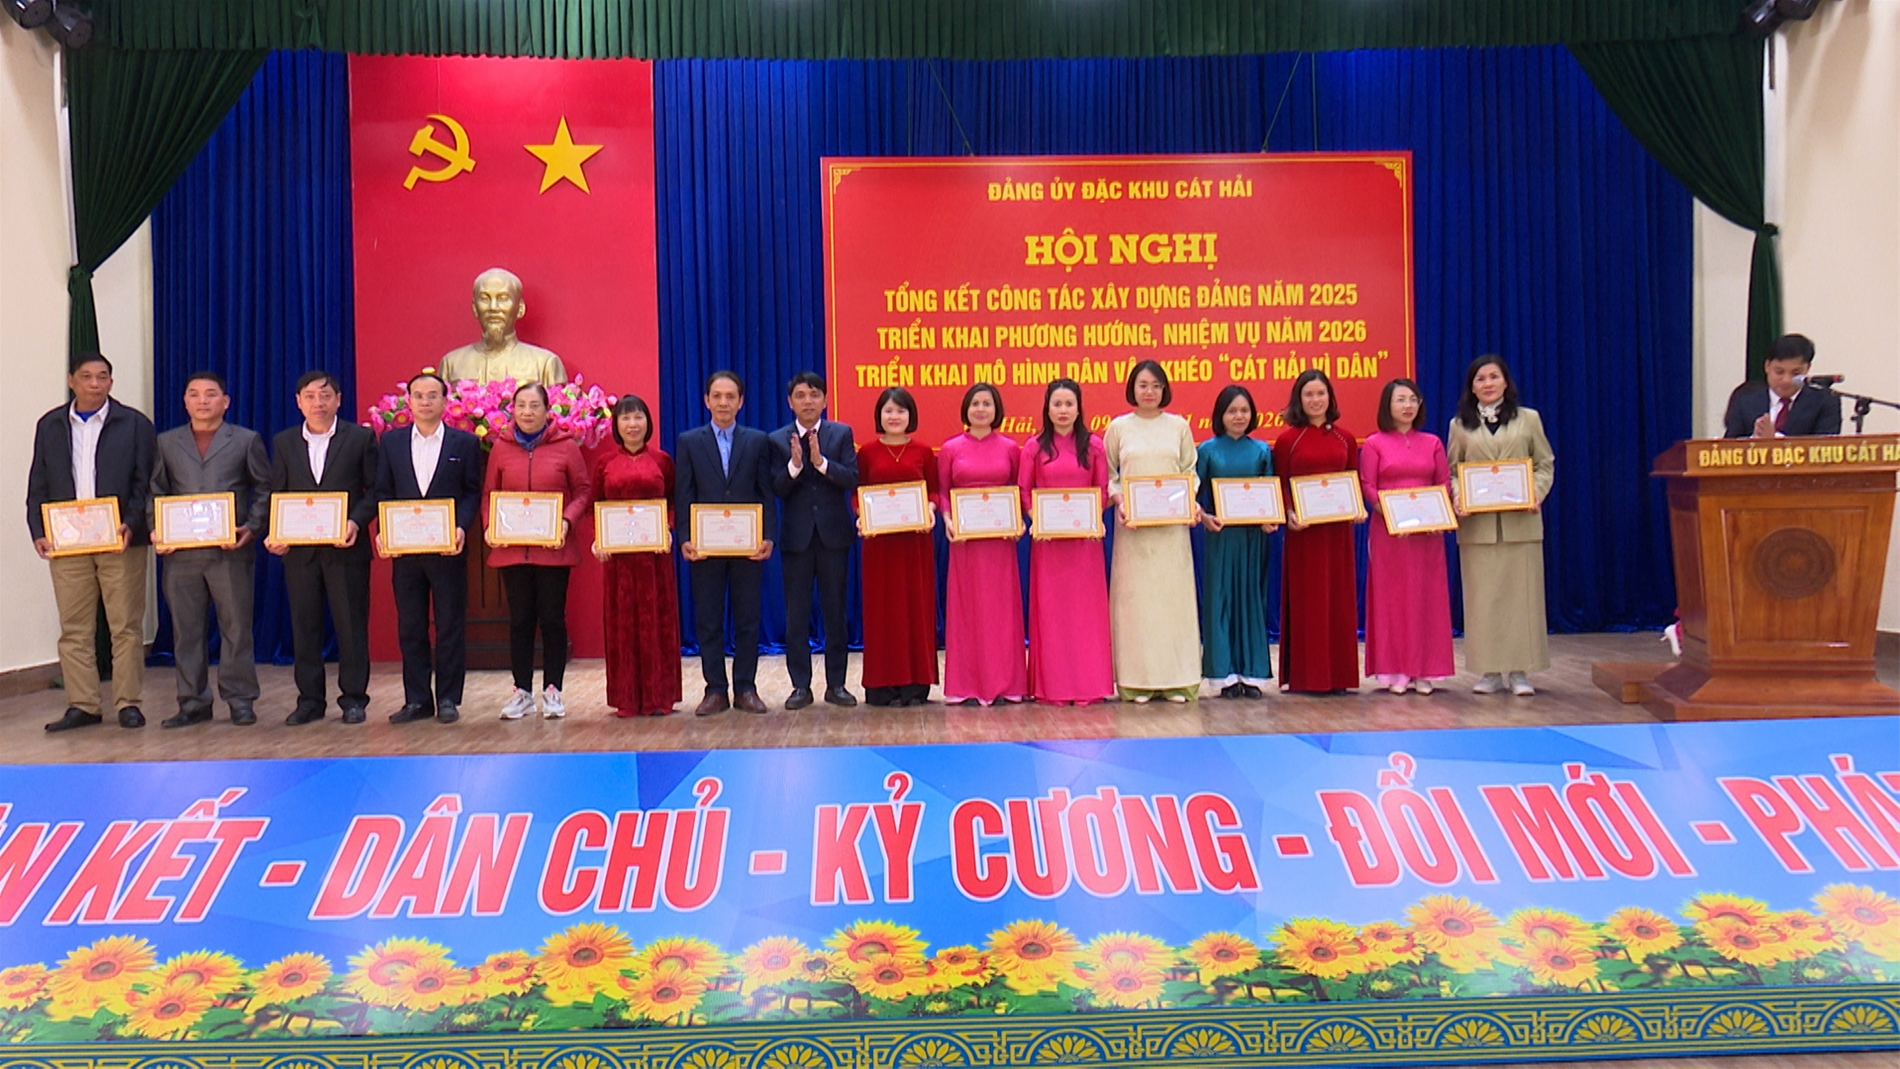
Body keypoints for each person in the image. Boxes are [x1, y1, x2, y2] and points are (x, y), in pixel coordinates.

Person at [28, 352, 156, 732]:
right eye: (87, 376)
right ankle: (82, 704)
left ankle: (128, 702)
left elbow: (145, 482)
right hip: (67, 541)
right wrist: (38, 529)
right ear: (72, 381)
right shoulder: (50, 425)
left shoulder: (134, 424)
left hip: (120, 539)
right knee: (74, 627)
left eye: (102, 377)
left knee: (125, 625)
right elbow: (38, 481)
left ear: (111, 383)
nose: (95, 384)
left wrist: (131, 523)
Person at [150, 371, 271, 728]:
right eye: (194, 394)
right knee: (186, 631)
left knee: (236, 628)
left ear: (225, 401)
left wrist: (251, 526)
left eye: (210, 394)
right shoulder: (166, 442)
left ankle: (240, 700)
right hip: (181, 555)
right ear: (185, 401)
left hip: (229, 551)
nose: (202, 400)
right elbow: (155, 490)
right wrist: (157, 528)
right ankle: (192, 702)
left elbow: (264, 487)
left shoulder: (246, 440)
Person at [266, 370, 379, 725]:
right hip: (300, 553)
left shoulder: (360, 438)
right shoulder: (284, 442)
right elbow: (278, 493)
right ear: (298, 402)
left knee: (351, 627)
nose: (318, 403)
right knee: (304, 627)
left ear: (338, 400)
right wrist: (275, 532)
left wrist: (355, 522)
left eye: (325, 395)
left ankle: (354, 699)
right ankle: (310, 701)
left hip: (346, 548)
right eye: (310, 397)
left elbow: (375, 491)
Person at [372, 372, 485, 724]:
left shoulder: (464, 443)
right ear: (408, 402)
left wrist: (461, 527)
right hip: (405, 551)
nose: (425, 401)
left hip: (448, 549)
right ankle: (417, 700)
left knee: (450, 624)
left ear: (445, 401)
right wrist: (383, 531)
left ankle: (448, 698)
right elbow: (382, 491)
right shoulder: (391, 442)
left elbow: (472, 492)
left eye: (432, 395)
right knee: (411, 625)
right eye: (418, 395)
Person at [482, 382, 593, 720]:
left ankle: (553, 690)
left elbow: (583, 492)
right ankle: (522, 692)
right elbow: (489, 493)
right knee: (520, 621)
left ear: (548, 411)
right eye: (521, 405)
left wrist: (566, 521)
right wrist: (490, 525)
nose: (527, 412)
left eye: (534, 406)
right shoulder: (500, 447)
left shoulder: (566, 446)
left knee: (552, 620)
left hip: (553, 550)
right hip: (513, 551)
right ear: (512, 410)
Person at [1448, 354, 1555, 697]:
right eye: (1480, 379)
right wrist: (1459, 497)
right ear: (1471, 387)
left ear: (1506, 382)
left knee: (1522, 599)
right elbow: (1452, 471)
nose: (1488, 384)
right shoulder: (1459, 425)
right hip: (1478, 529)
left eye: (1494, 377)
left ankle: (1521, 672)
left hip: (1520, 524)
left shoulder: (1528, 419)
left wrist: (1535, 493)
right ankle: (1490, 671)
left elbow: (1544, 464)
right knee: (1484, 601)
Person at [676, 370, 777, 716]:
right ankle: (715, 690)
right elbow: (684, 493)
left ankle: (746, 688)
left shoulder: (757, 441)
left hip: (747, 545)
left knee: (748, 618)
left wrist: (768, 535)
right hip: (705, 547)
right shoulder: (690, 441)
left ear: (741, 402)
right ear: (706, 401)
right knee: (708, 619)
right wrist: (686, 538)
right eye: (717, 396)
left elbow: (765, 493)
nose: (723, 402)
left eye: (730, 396)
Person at [1105, 360, 1202, 703]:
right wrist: (1120, 501)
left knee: (1173, 603)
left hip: (1171, 532)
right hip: (1133, 531)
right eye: (1143, 385)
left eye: (1156, 386)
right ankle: (1137, 682)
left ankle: (1178, 680)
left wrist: (1189, 501)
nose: (1150, 391)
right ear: (1132, 388)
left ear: (1165, 390)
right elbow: (1109, 475)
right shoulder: (1119, 428)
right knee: (1137, 606)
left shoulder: (1179, 426)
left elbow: (1190, 471)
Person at [1018, 379, 1114, 705]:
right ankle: (1053, 687)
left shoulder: (1095, 446)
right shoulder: (1033, 447)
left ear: (1078, 408)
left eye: (1069, 404)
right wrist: (1037, 518)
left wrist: (1090, 516)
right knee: (1052, 615)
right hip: (1048, 544)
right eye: (1057, 404)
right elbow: (1024, 491)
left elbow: (1102, 491)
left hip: (1084, 543)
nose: (1063, 410)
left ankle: (1089, 685)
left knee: (1085, 616)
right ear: (1047, 409)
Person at [1360, 378, 1455, 695]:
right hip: (1390, 534)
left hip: (1426, 534)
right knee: (1393, 600)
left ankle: (1425, 670)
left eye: (1413, 399)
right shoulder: (1374, 443)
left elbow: (1444, 482)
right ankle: (1396, 670)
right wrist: (1392, 514)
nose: (1408, 406)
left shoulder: (1432, 442)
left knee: (1426, 599)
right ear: (1387, 405)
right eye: (1400, 399)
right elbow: (1368, 485)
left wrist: (1436, 514)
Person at [771, 372, 859, 709]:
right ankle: (800, 686)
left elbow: (852, 477)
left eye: (814, 395)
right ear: (790, 401)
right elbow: (776, 488)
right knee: (796, 616)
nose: (807, 401)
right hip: (797, 539)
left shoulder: (841, 433)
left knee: (835, 613)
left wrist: (821, 463)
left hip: (834, 536)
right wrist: (795, 466)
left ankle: (837, 685)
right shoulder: (777, 440)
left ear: (824, 400)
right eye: (800, 395)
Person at [1272, 370, 1362, 695]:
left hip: (1337, 535)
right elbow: (1281, 484)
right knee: (1308, 601)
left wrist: (1357, 507)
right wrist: (1289, 513)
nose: (1315, 400)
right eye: (1308, 394)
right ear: (1299, 399)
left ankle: (1338, 676)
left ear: (1330, 397)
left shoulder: (1345, 438)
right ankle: (1307, 676)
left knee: (1337, 599)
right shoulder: (1288, 440)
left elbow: (1353, 479)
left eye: (1320, 393)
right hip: (1304, 534)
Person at [937, 382, 1027, 706]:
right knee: (967, 609)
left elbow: (1018, 490)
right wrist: (947, 519)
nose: (981, 409)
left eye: (987, 404)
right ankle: (965, 684)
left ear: (996, 409)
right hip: (965, 541)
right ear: (966, 409)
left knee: (1001, 610)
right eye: (975, 403)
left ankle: (1007, 682)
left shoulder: (1010, 448)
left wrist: (1019, 520)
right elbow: (943, 492)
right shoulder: (951, 448)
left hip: (999, 542)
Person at [593, 395, 682, 717]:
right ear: (616, 425)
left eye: (638, 417)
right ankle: (626, 698)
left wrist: (667, 528)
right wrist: (599, 540)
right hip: (618, 561)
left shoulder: (662, 461)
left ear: (648, 422)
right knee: (622, 625)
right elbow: (596, 504)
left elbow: (673, 501)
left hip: (654, 559)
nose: (633, 424)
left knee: (657, 622)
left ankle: (660, 697)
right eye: (626, 418)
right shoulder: (604, 463)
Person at [855, 386, 939, 707]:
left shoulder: (923, 451)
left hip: (914, 543)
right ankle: (882, 684)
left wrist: (930, 508)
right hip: (880, 545)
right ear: (879, 415)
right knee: (882, 611)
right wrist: (861, 515)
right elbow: (857, 493)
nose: (894, 416)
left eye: (900, 411)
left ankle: (915, 685)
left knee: (915, 607)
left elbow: (934, 491)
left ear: (910, 415)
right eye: (888, 410)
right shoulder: (866, 452)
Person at [1195, 384, 1275, 698]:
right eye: (1232, 411)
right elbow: (1193, 494)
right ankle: (1224, 676)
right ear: (1220, 415)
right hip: (1221, 536)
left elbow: (1270, 492)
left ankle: (1252, 674)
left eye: (1244, 411)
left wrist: (1270, 518)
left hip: (1253, 538)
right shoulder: (1207, 450)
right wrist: (1204, 517)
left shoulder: (1262, 451)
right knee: (1221, 600)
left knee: (1251, 599)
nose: (1238, 416)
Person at [439, 268, 568, 387]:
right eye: (484, 299)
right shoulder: (451, 364)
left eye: (503, 299)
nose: (493, 308)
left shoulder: (545, 364)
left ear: (520, 309)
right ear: (474, 308)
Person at [1722, 333, 1842, 439]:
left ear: (1807, 368)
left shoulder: (1825, 402)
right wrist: (1756, 440)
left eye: (1795, 373)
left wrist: (1774, 440)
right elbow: (1729, 447)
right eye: (1779, 372)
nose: (1786, 380)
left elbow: (1823, 449)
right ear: (1767, 366)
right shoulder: (1744, 400)